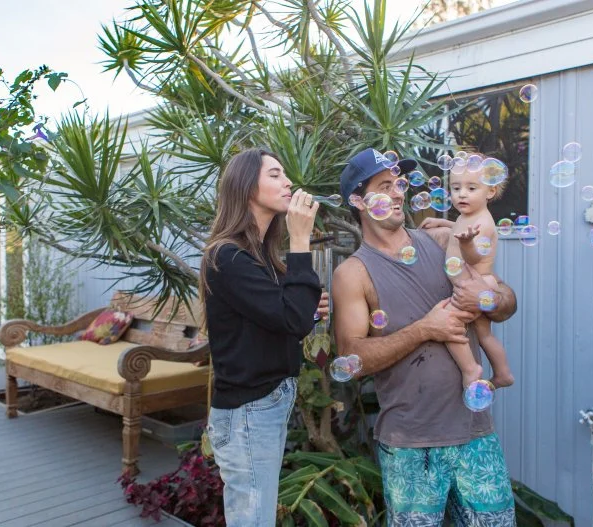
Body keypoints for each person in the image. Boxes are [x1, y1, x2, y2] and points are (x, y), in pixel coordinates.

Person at [332, 148, 518, 526]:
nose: (399, 192)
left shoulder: (440, 241)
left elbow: (506, 301)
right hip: (410, 446)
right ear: (359, 201)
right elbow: (351, 359)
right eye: (386, 186)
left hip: (475, 433)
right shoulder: (354, 273)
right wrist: (424, 330)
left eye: (400, 183)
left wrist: (488, 297)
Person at [200, 148, 329, 526]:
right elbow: (291, 318)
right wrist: (300, 238)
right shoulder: (228, 256)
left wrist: (304, 306)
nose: (288, 181)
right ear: (245, 186)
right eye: (275, 174)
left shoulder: (258, 257)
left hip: (262, 406)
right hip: (248, 412)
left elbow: (293, 319)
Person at [431, 160, 515, 411]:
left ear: (490, 191)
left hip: (472, 287)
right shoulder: (468, 217)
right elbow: (460, 229)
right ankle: (502, 373)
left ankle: (471, 369)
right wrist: (445, 225)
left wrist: (466, 244)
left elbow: (476, 255)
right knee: (484, 334)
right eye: (456, 188)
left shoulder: (484, 223)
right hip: (479, 283)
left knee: (448, 322)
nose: (461, 194)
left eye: (471, 188)